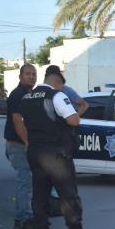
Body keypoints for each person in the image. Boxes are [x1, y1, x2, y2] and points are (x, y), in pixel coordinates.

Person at [13, 70, 99, 229]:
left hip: (35, 153)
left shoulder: (27, 98)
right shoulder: (57, 95)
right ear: (58, 83)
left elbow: (22, 123)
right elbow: (73, 120)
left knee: (39, 196)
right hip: (56, 154)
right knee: (68, 195)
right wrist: (74, 114)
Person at [43, 65, 88, 217]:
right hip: (52, 143)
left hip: (59, 140)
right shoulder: (47, 93)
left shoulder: (65, 91)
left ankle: (57, 208)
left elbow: (83, 105)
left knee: (58, 177)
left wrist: (73, 115)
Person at [4, 64, 37, 229]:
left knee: (26, 183)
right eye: (28, 74)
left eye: (33, 74)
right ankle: (25, 220)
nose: (31, 77)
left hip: (20, 144)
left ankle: (20, 219)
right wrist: (27, 142)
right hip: (18, 145)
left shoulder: (28, 94)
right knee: (25, 183)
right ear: (20, 76)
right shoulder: (18, 95)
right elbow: (18, 121)